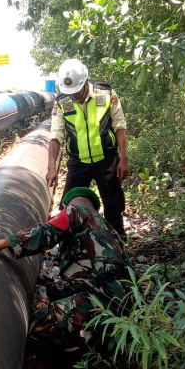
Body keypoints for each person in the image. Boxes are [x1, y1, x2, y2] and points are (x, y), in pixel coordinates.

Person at [0, 187, 134, 347]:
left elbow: (49, 230)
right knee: (55, 291)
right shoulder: (110, 232)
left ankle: (84, 345)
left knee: (36, 325)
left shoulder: (75, 210)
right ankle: (104, 338)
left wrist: (4, 243)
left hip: (102, 298)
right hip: (126, 306)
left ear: (67, 206)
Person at [47, 59, 130, 237]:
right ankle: (69, 246)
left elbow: (119, 127)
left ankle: (118, 244)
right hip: (78, 163)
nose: (72, 96)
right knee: (67, 206)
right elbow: (56, 135)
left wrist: (124, 159)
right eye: (69, 92)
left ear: (85, 82)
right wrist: (51, 167)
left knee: (113, 205)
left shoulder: (107, 94)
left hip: (106, 161)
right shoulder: (61, 102)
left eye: (75, 91)